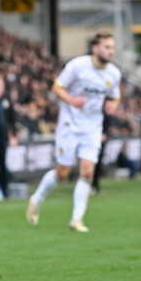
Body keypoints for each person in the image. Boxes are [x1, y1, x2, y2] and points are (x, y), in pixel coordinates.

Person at [26, 32, 121, 232]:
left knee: (87, 172)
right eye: (106, 47)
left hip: (93, 128)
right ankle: (37, 198)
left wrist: (113, 105)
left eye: (112, 47)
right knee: (63, 173)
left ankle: (76, 219)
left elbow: (115, 96)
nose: (110, 51)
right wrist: (73, 101)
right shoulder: (78, 66)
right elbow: (57, 87)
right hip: (70, 125)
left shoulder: (113, 74)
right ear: (94, 48)